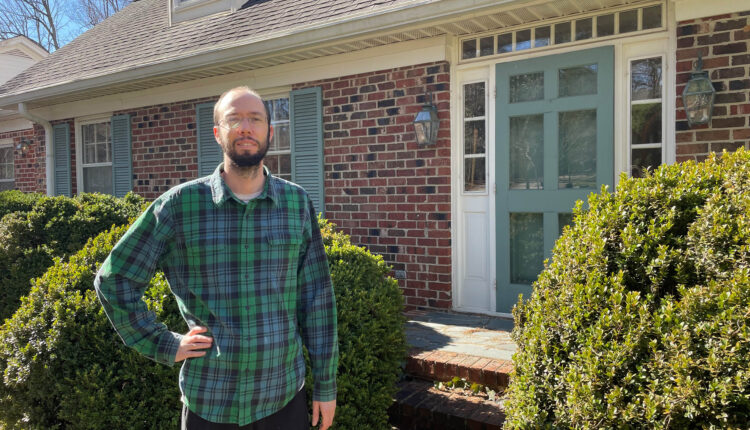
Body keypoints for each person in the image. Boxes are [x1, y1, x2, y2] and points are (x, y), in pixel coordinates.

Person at [95, 86, 338, 430]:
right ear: (217, 133)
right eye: (233, 119)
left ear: (270, 132)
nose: (245, 127)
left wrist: (326, 386)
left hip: (282, 398)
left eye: (255, 119)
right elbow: (114, 278)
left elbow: (317, 300)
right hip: (209, 401)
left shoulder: (296, 203)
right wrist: (164, 343)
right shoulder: (179, 206)